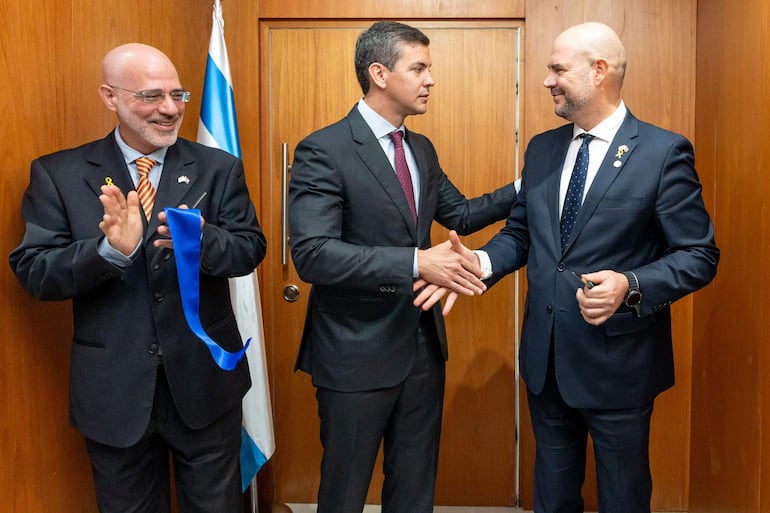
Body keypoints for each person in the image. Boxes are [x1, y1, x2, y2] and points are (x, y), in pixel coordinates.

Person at [417, 21, 719, 513]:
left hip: (620, 366)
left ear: (599, 71)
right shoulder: (543, 148)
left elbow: (700, 255)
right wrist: (480, 261)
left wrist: (631, 284)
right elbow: (523, 233)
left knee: (623, 497)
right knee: (552, 497)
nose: (547, 80)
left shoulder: (663, 153)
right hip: (546, 361)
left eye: (558, 69)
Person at [9, 43, 266, 513]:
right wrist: (109, 251)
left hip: (206, 388)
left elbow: (250, 248)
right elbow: (35, 271)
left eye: (178, 94)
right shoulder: (59, 174)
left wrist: (205, 240)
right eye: (151, 96)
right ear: (110, 97)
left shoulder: (218, 167)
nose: (170, 109)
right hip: (114, 392)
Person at [287, 21, 516, 513]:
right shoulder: (323, 150)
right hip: (353, 352)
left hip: (421, 351)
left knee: (414, 492)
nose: (431, 79)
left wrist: (530, 183)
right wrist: (416, 261)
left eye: (429, 69)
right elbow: (313, 254)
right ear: (380, 73)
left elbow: (463, 215)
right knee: (344, 493)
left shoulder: (421, 149)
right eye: (419, 68)